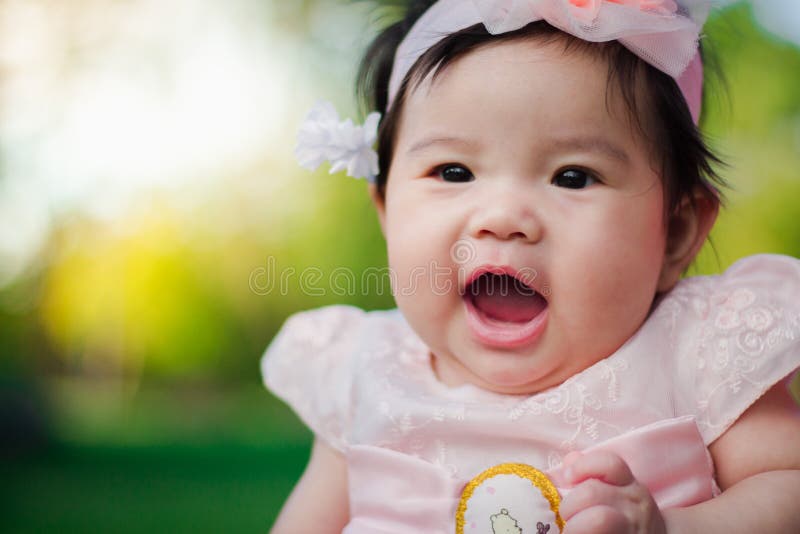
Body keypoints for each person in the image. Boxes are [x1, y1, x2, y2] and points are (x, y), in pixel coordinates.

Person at [263, 1, 800, 532]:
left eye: (572, 177)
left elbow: (786, 487)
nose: (502, 218)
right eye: (453, 171)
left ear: (676, 233)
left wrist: (672, 528)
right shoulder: (363, 371)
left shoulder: (695, 351)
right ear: (386, 210)